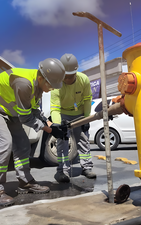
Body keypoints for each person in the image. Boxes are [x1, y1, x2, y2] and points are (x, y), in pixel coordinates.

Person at [0, 58, 66, 206]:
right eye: (51, 85)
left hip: (10, 110)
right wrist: (49, 130)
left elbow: (35, 110)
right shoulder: (24, 83)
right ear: (41, 78)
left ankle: (25, 182)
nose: (52, 89)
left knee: (23, 145)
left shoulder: (38, 86)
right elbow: (26, 118)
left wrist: (51, 124)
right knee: (4, 143)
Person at [50, 53, 96, 183]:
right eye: (65, 76)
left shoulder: (84, 80)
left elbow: (87, 100)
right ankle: (62, 171)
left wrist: (87, 119)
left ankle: (86, 167)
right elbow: (55, 108)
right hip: (63, 114)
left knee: (83, 140)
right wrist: (58, 125)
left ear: (76, 72)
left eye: (70, 76)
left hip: (80, 113)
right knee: (62, 141)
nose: (68, 79)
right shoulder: (56, 85)